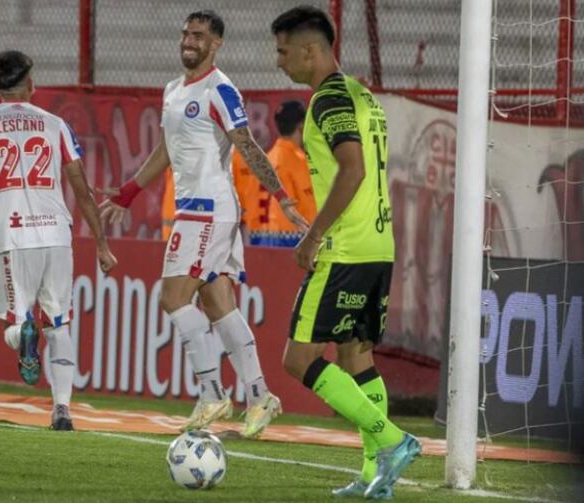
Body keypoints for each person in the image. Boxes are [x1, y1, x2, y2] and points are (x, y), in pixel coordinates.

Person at [101, 10, 308, 438]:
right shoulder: (173, 91)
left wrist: (283, 197)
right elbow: (166, 150)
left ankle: (212, 392)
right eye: (185, 33)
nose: (188, 40)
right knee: (218, 305)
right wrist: (128, 192)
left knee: (173, 297)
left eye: (198, 35)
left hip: (209, 209)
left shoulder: (220, 89)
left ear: (216, 44)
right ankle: (259, 396)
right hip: (193, 209)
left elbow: (246, 146)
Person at [271, 6, 420, 499]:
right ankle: (375, 476)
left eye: (283, 50)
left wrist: (313, 236)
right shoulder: (362, 94)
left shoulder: (328, 100)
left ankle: (395, 441)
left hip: (345, 247)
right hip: (379, 243)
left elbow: (351, 169)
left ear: (310, 50)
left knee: (298, 359)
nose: (280, 61)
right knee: (357, 355)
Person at [0, 50, 117, 431]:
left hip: (12, 234)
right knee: (59, 324)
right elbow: (82, 189)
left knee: (15, 319)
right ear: (31, 83)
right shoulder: (56, 125)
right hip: (56, 231)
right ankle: (62, 410)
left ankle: (24, 332)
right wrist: (102, 244)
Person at [251, 100, 316, 247]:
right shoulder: (299, 162)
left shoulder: (266, 159)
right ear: (301, 126)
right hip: (291, 239)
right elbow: (311, 208)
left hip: (259, 239)